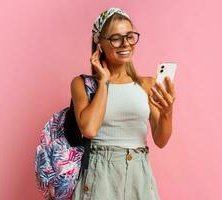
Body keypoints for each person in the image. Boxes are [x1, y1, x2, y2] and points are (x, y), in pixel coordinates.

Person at [71, 7, 176, 200]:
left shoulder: (146, 84)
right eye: (116, 38)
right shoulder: (83, 85)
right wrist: (103, 81)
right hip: (99, 173)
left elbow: (160, 140)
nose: (125, 44)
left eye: (129, 36)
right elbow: (90, 130)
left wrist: (168, 112)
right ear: (100, 44)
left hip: (139, 172)